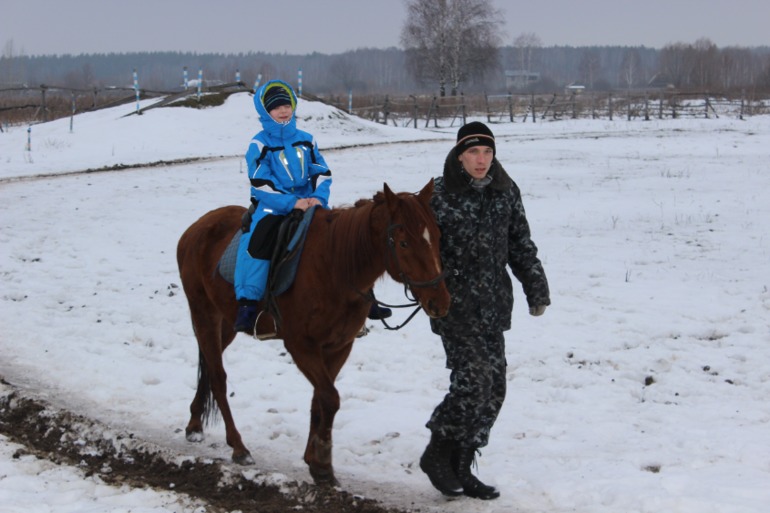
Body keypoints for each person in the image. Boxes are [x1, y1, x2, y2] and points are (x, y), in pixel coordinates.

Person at [419, 121, 550, 500]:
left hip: (494, 304)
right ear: (459, 155)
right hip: (453, 306)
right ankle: (437, 451)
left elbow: (520, 244)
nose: (481, 160)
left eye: (487, 152)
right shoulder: (437, 195)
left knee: (494, 389)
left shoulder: (505, 191)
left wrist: (536, 287)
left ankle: (462, 464)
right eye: (474, 152)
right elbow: (416, 252)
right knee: (473, 381)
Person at [234, 79, 389, 335]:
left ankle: (366, 296)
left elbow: (321, 171)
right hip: (275, 207)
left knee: (342, 237)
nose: (283, 111)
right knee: (258, 242)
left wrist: (317, 197)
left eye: (286, 105)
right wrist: (291, 202)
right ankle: (249, 304)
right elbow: (260, 182)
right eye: (276, 108)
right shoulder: (259, 144)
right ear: (265, 112)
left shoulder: (307, 140)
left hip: (312, 203)